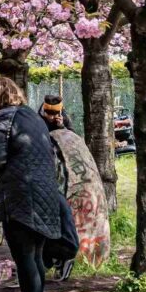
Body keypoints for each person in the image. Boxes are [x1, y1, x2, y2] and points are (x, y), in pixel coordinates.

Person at [0, 77, 66, 292]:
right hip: (46, 193)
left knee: (24, 257)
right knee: (36, 255)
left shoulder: (3, 118)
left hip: (21, 196)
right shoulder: (32, 116)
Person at [39, 95, 109, 276]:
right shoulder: (37, 121)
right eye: (49, 113)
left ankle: (59, 258)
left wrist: (62, 127)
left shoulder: (64, 120)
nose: (52, 116)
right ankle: (52, 259)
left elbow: (71, 138)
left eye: (56, 113)